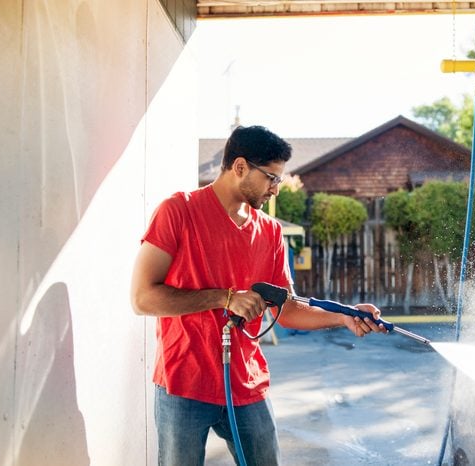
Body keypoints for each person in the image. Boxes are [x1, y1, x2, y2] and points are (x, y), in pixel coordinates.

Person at [130, 125, 386, 466]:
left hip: (246, 385)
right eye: (270, 178)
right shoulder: (178, 211)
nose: (275, 189)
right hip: (184, 383)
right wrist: (224, 298)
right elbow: (143, 298)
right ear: (239, 167)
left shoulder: (269, 231)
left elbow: (288, 310)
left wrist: (343, 316)